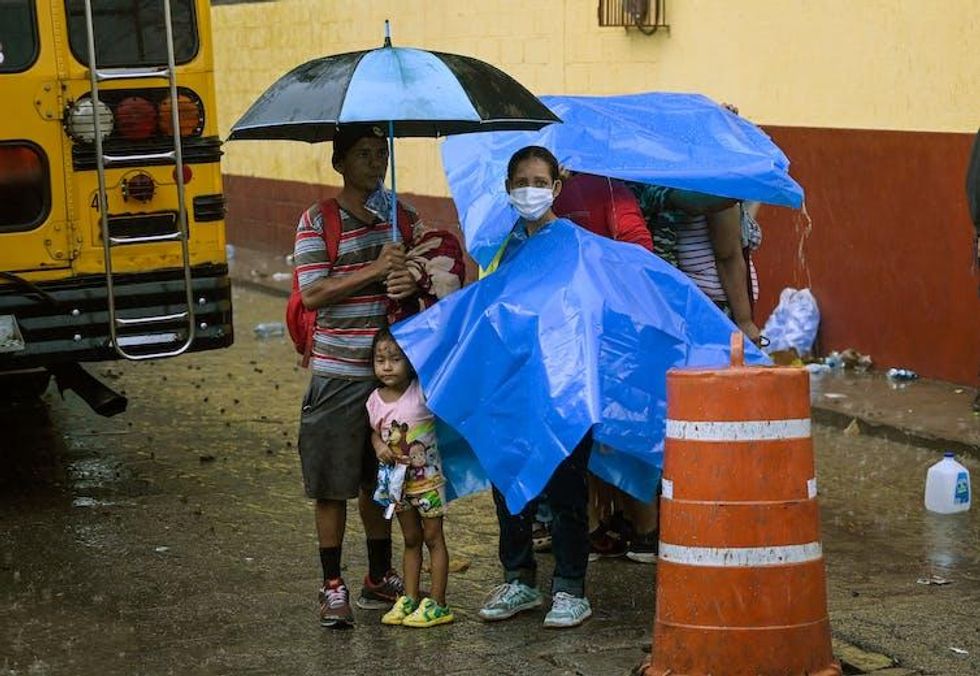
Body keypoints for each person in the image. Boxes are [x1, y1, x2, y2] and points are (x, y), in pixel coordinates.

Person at [294, 124, 422, 628]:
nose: (376, 162)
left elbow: (437, 263)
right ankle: (331, 585)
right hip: (337, 376)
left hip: (389, 378)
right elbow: (313, 294)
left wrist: (412, 273)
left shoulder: (403, 218)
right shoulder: (317, 221)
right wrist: (374, 269)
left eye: (381, 153)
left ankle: (378, 574)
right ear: (339, 163)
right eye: (364, 155)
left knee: (383, 483)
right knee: (332, 485)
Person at [477, 146, 593, 629]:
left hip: (563, 383)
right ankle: (518, 578)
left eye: (539, 181)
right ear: (507, 189)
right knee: (509, 485)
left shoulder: (576, 244)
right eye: (521, 181)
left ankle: (570, 588)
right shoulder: (499, 248)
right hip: (511, 383)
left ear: (556, 188)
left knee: (566, 487)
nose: (530, 189)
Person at [367, 328, 454, 628]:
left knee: (433, 538)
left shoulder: (422, 390)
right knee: (411, 539)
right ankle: (410, 597)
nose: (387, 366)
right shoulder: (374, 400)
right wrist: (379, 445)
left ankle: (439, 603)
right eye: (380, 360)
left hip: (427, 481)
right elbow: (374, 433)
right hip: (397, 487)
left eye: (395, 359)